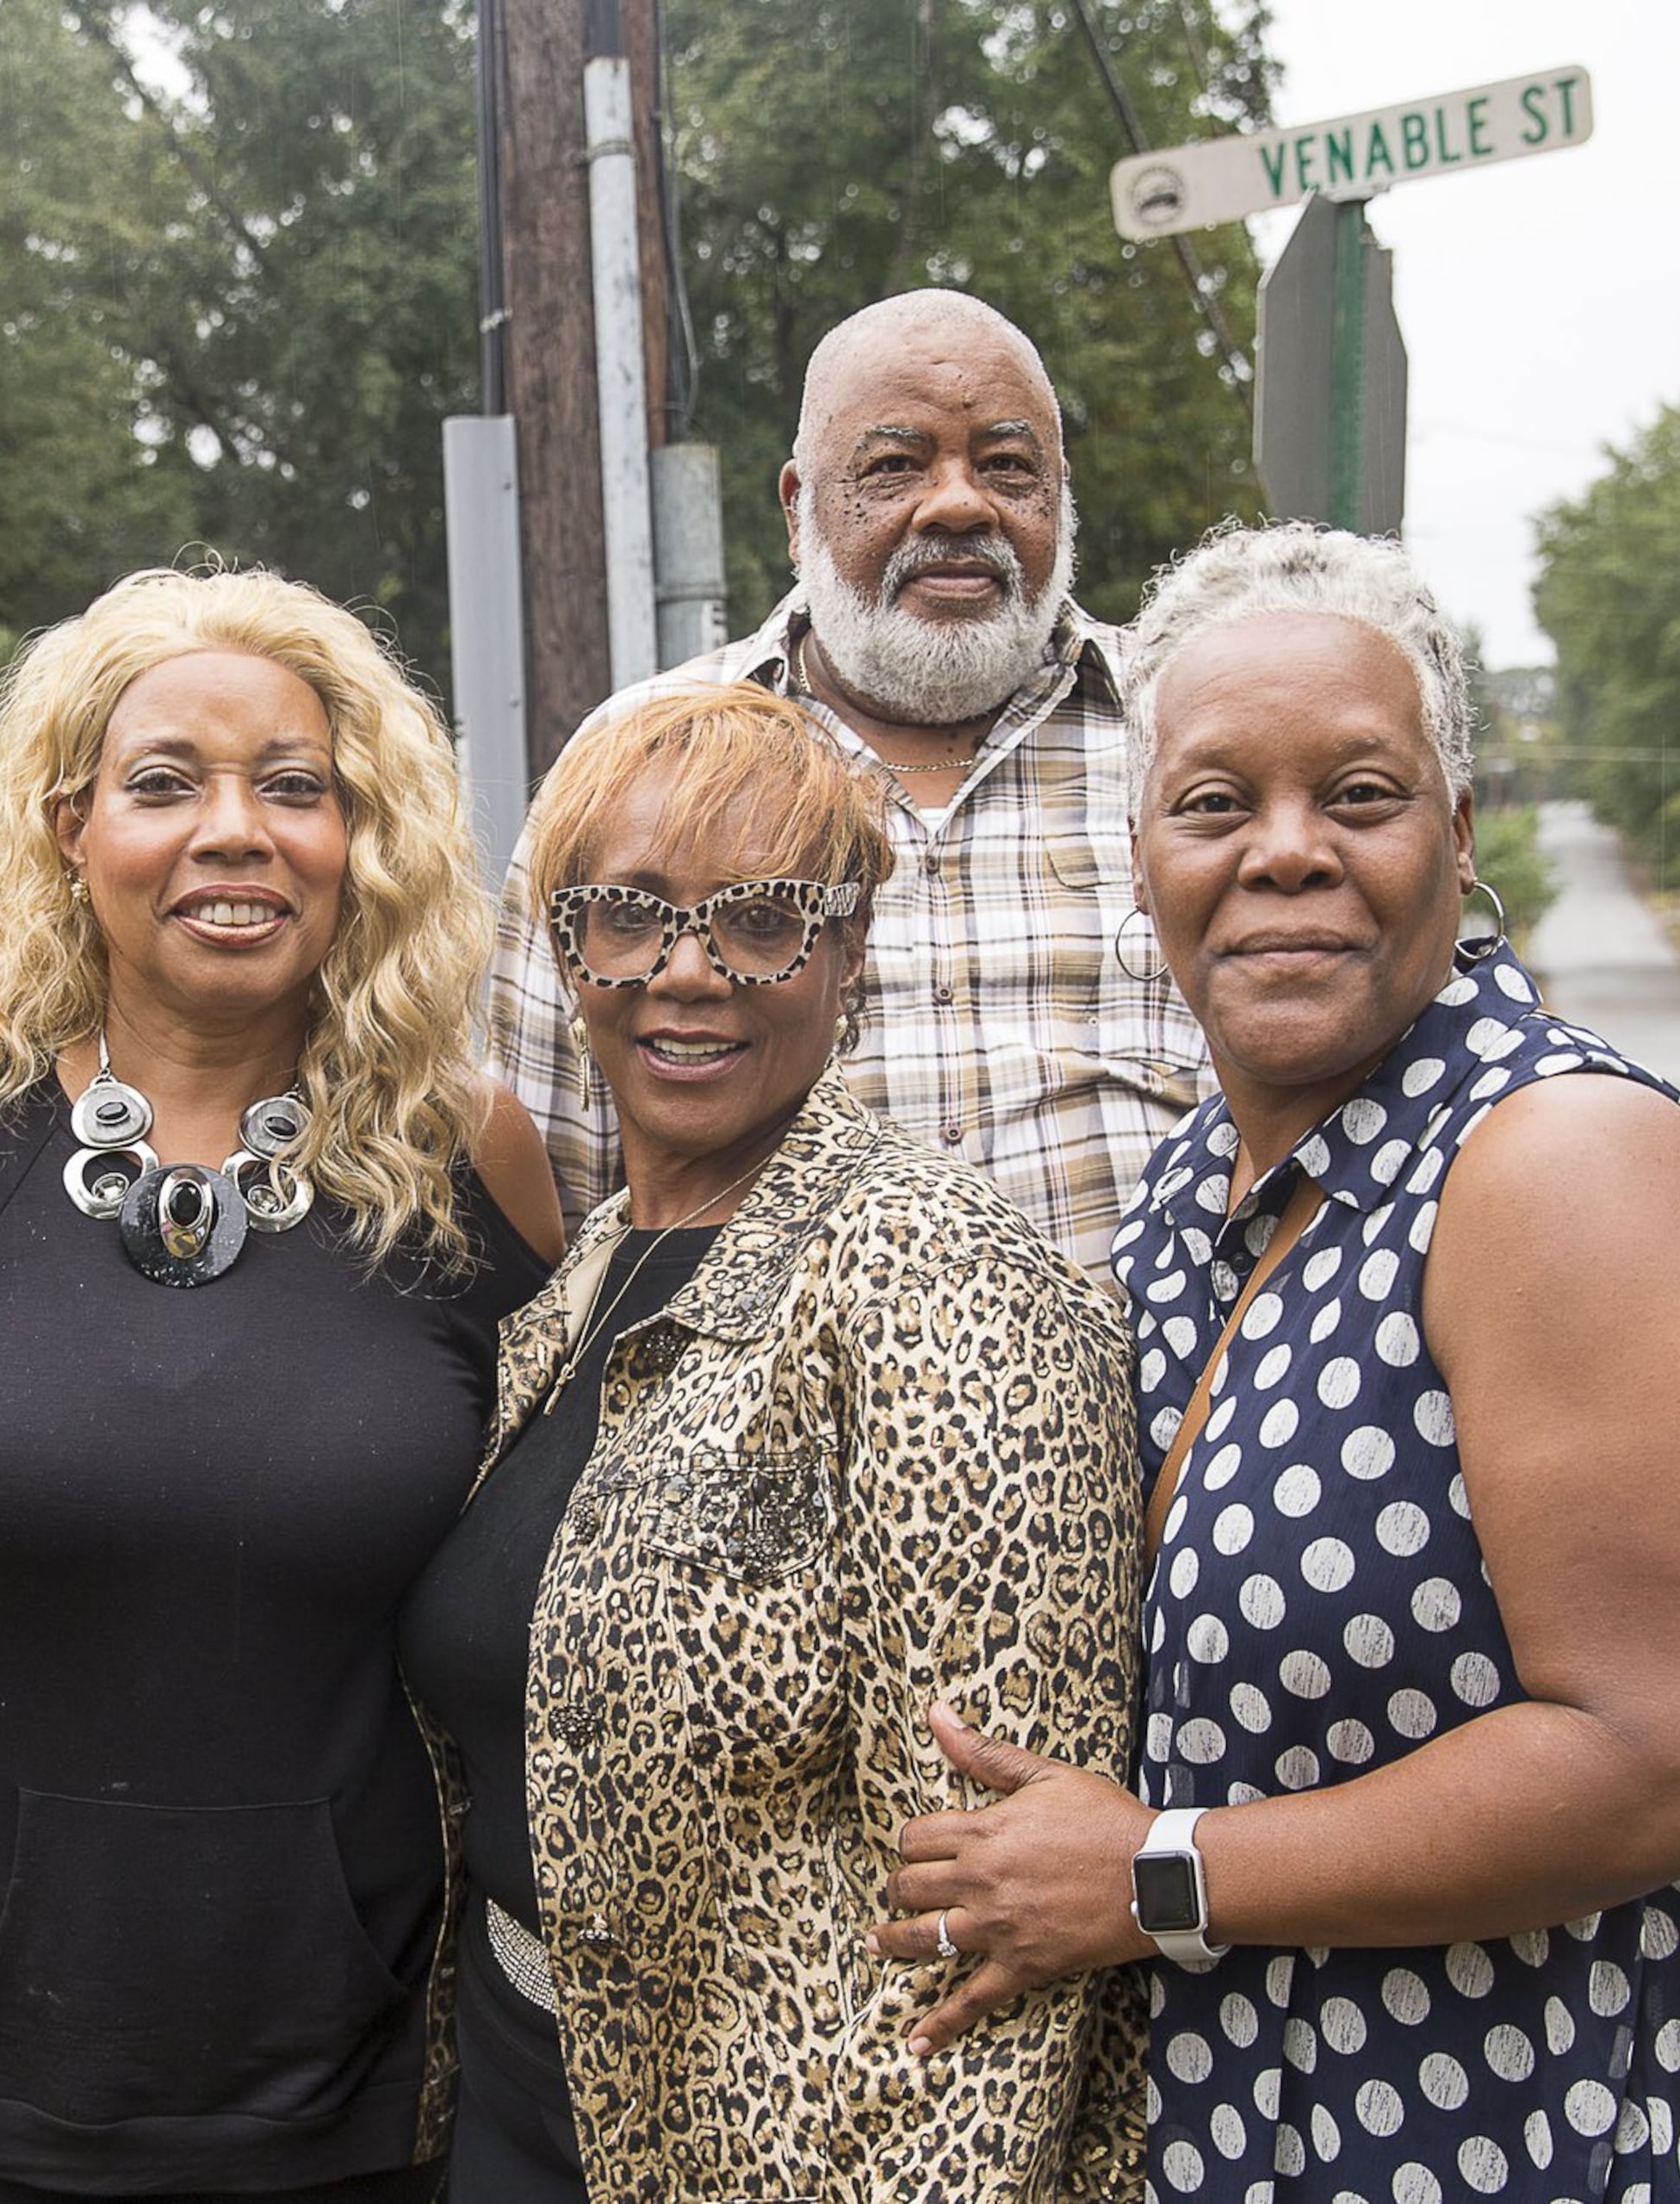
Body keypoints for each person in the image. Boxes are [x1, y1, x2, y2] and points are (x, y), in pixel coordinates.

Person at [872, 524, 1680, 2203]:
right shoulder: (1195, 1200)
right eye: (1216, 801)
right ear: (1138, 847)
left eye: (1357, 794)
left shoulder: (1561, 1163)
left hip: (1592, 2144)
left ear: (1457, 829)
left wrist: (1156, 1873)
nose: (1285, 851)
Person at [0, 568, 563, 2204]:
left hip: (382, 2098)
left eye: (295, 785)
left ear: (361, 835)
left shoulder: (471, 1158)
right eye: (166, 781)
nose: (236, 830)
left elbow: (545, 1636)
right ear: (68, 828)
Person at [402, 682, 1145, 2204]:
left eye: (761, 918)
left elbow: (996, 1947)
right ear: (566, 945)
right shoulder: (591, 1269)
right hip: (526, 2090)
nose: (689, 972)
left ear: (852, 947)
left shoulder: (938, 1286)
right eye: (630, 914)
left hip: (788, 2145)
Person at [487, 288, 1203, 1288]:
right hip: (753, 1437)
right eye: (894, 465)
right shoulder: (639, 766)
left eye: (1007, 466)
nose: (959, 504)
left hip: (1182, 1432)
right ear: (797, 509)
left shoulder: (1191, 737)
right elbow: (543, 1198)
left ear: (1060, 499)